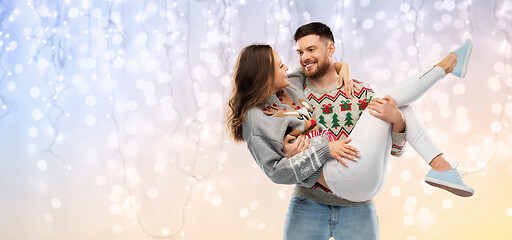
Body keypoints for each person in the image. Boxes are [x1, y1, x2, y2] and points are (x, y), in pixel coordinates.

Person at [225, 27, 473, 239]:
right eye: (299, 52)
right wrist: (323, 149)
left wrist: (397, 120)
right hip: (312, 198)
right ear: (265, 74)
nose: (299, 60)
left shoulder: (350, 91)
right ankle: (441, 161)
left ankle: (448, 69)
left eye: (311, 50)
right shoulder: (283, 96)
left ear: (330, 49)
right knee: (391, 97)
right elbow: (276, 171)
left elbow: (395, 150)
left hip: (358, 195)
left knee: (395, 104)